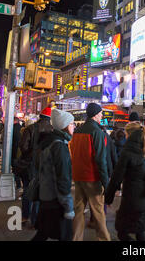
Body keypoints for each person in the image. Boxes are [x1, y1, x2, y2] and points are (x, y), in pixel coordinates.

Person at [105, 122, 145, 241]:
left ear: (129, 134)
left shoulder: (128, 151)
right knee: (139, 232)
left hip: (133, 200)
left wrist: (108, 198)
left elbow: (116, 178)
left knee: (122, 232)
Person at [31, 109, 75, 241]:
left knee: (42, 233)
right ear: (65, 126)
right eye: (72, 124)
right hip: (56, 199)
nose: (74, 126)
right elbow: (62, 177)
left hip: (46, 195)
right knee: (65, 235)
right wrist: (68, 205)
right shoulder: (59, 146)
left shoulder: (48, 141)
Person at [70, 103, 111, 241]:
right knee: (98, 212)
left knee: (78, 211)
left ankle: (76, 238)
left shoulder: (77, 131)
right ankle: (104, 239)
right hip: (92, 177)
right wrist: (106, 182)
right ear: (95, 114)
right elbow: (100, 159)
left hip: (78, 176)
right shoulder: (97, 132)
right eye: (100, 113)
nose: (101, 115)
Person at [18, 107, 53, 226]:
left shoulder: (30, 128)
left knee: (27, 190)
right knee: (40, 191)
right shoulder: (52, 131)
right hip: (44, 166)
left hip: (29, 165)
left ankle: (25, 216)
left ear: (40, 116)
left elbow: (23, 146)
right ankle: (35, 219)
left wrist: (30, 155)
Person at [12, 117, 22, 190]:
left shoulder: (12, 129)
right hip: (22, 153)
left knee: (15, 169)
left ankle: (18, 184)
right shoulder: (23, 129)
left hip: (14, 152)